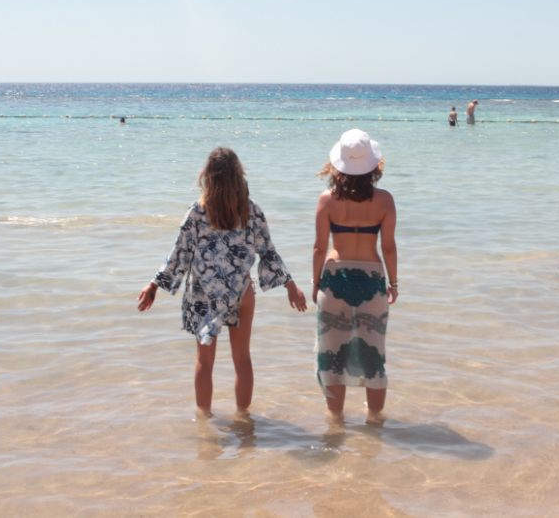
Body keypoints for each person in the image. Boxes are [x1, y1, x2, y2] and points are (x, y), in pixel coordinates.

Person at [137, 147, 307, 418]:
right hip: (242, 291)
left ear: (209, 177)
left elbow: (178, 253)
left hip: (206, 293)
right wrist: (290, 286)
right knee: (242, 359)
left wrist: (154, 285)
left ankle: (204, 421)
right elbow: (269, 252)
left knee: (205, 362)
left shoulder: (197, 211)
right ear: (239, 177)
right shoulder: (251, 211)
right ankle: (243, 420)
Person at [312, 129, 397, 423]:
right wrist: (394, 283)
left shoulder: (327, 200)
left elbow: (320, 248)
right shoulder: (385, 201)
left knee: (332, 355)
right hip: (372, 280)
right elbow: (388, 247)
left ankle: (335, 423)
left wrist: (314, 285)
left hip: (335, 278)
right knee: (374, 355)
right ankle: (375, 422)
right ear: (373, 165)